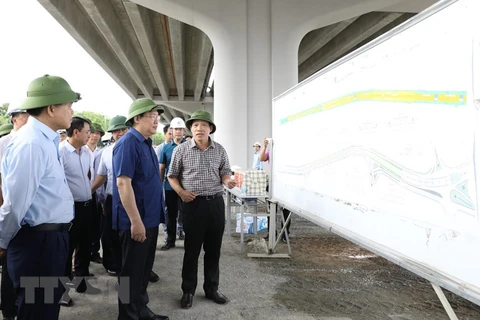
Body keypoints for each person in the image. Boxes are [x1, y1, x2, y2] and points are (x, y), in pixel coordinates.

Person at [0, 74, 79, 320]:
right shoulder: (32, 144)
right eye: (68, 105)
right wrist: (1, 241)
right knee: (37, 312)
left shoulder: (45, 140)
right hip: (37, 244)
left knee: (45, 310)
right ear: (52, 108)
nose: (72, 110)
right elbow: (15, 205)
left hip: (49, 241)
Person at [167, 110, 236, 309]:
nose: (199, 128)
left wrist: (228, 181)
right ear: (191, 129)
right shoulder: (181, 150)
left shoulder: (220, 150)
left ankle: (211, 288)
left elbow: (224, 173)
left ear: (210, 129)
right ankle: (188, 290)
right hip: (193, 204)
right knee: (192, 249)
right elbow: (172, 176)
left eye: (203, 125)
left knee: (213, 250)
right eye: (195, 125)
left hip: (215, 203)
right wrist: (181, 192)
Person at [113, 98, 169, 320]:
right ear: (137, 118)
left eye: (157, 117)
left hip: (150, 219)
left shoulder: (146, 143)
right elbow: (123, 183)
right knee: (129, 275)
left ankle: (141, 310)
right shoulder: (127, 143)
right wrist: (136, 221)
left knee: (143, 271)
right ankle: (127, 316)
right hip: (135, 222)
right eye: (152, 117)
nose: (156, 121)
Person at [59, 116, 101, 307]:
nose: (90, 135)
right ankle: (62, 292)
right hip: (70, 208)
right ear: (76, 132)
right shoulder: (61, 152)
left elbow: (87, 176)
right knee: (66, 251)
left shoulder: (86, 152)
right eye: (87, 131)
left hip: (86, 205)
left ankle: (81, 281)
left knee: (84, 245)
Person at [0, 105, 29, 320]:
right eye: (25, 116)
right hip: (9, 212)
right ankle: (9, 310)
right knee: (9, 268)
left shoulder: (35, 141)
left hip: (28, 217)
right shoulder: (4, 144)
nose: (31, 120)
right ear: (14, 120)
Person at [91, 116, 128, 277]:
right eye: (116, 130)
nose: (120, 133)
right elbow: (101, 176)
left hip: (132, 197)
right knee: (110, 234)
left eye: (123, 129)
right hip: (112, 198)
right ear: (112, 133)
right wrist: (92, 194)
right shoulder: (106, 152)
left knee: (130, 235)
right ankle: (112, 264)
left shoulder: (137, 148)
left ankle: (134, 267)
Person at [159, 117, 186, 250]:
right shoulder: (166, 148)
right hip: (170, 187)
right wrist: (159, 186)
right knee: (171, 215)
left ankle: (190, 240)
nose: (178, 131)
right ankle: (170, 241)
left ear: (184, 130)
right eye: (176, 129)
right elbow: (162, 167)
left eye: (180, 129)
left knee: (188, 214)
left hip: (187, 187)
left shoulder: (190, 146)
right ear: (172, 131)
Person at [259, 138, 291, 242]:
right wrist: (264, 147)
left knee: (286, 211)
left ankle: (285, 234)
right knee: (270, 210)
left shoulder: (289, 153)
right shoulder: (271, 150)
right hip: (272, 184)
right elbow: (262, 158)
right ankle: (271, 233)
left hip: (286, 185)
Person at [87, 123, 106, 264]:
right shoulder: (81, 150)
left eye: (98, 134)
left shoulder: (101, 152)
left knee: (96, 224)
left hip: (97, 193)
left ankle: (94, 251)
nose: (94, 136)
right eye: (92, 133)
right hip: (83, 193)